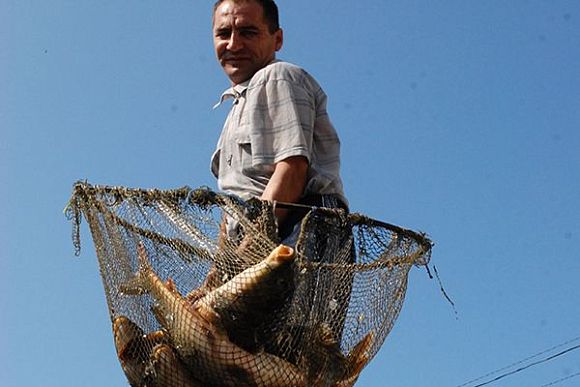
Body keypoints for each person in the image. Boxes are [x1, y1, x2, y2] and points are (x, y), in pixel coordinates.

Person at [211, 0, 348, 243]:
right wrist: (219, 272)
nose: (233, 44)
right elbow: (232, 202)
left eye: (248, 32)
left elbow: (292, 170)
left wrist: (251, 251)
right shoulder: (236, 108)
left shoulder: (277, 77)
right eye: (223, 33)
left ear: (278, 39)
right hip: (255, 239)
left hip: (299, 232)